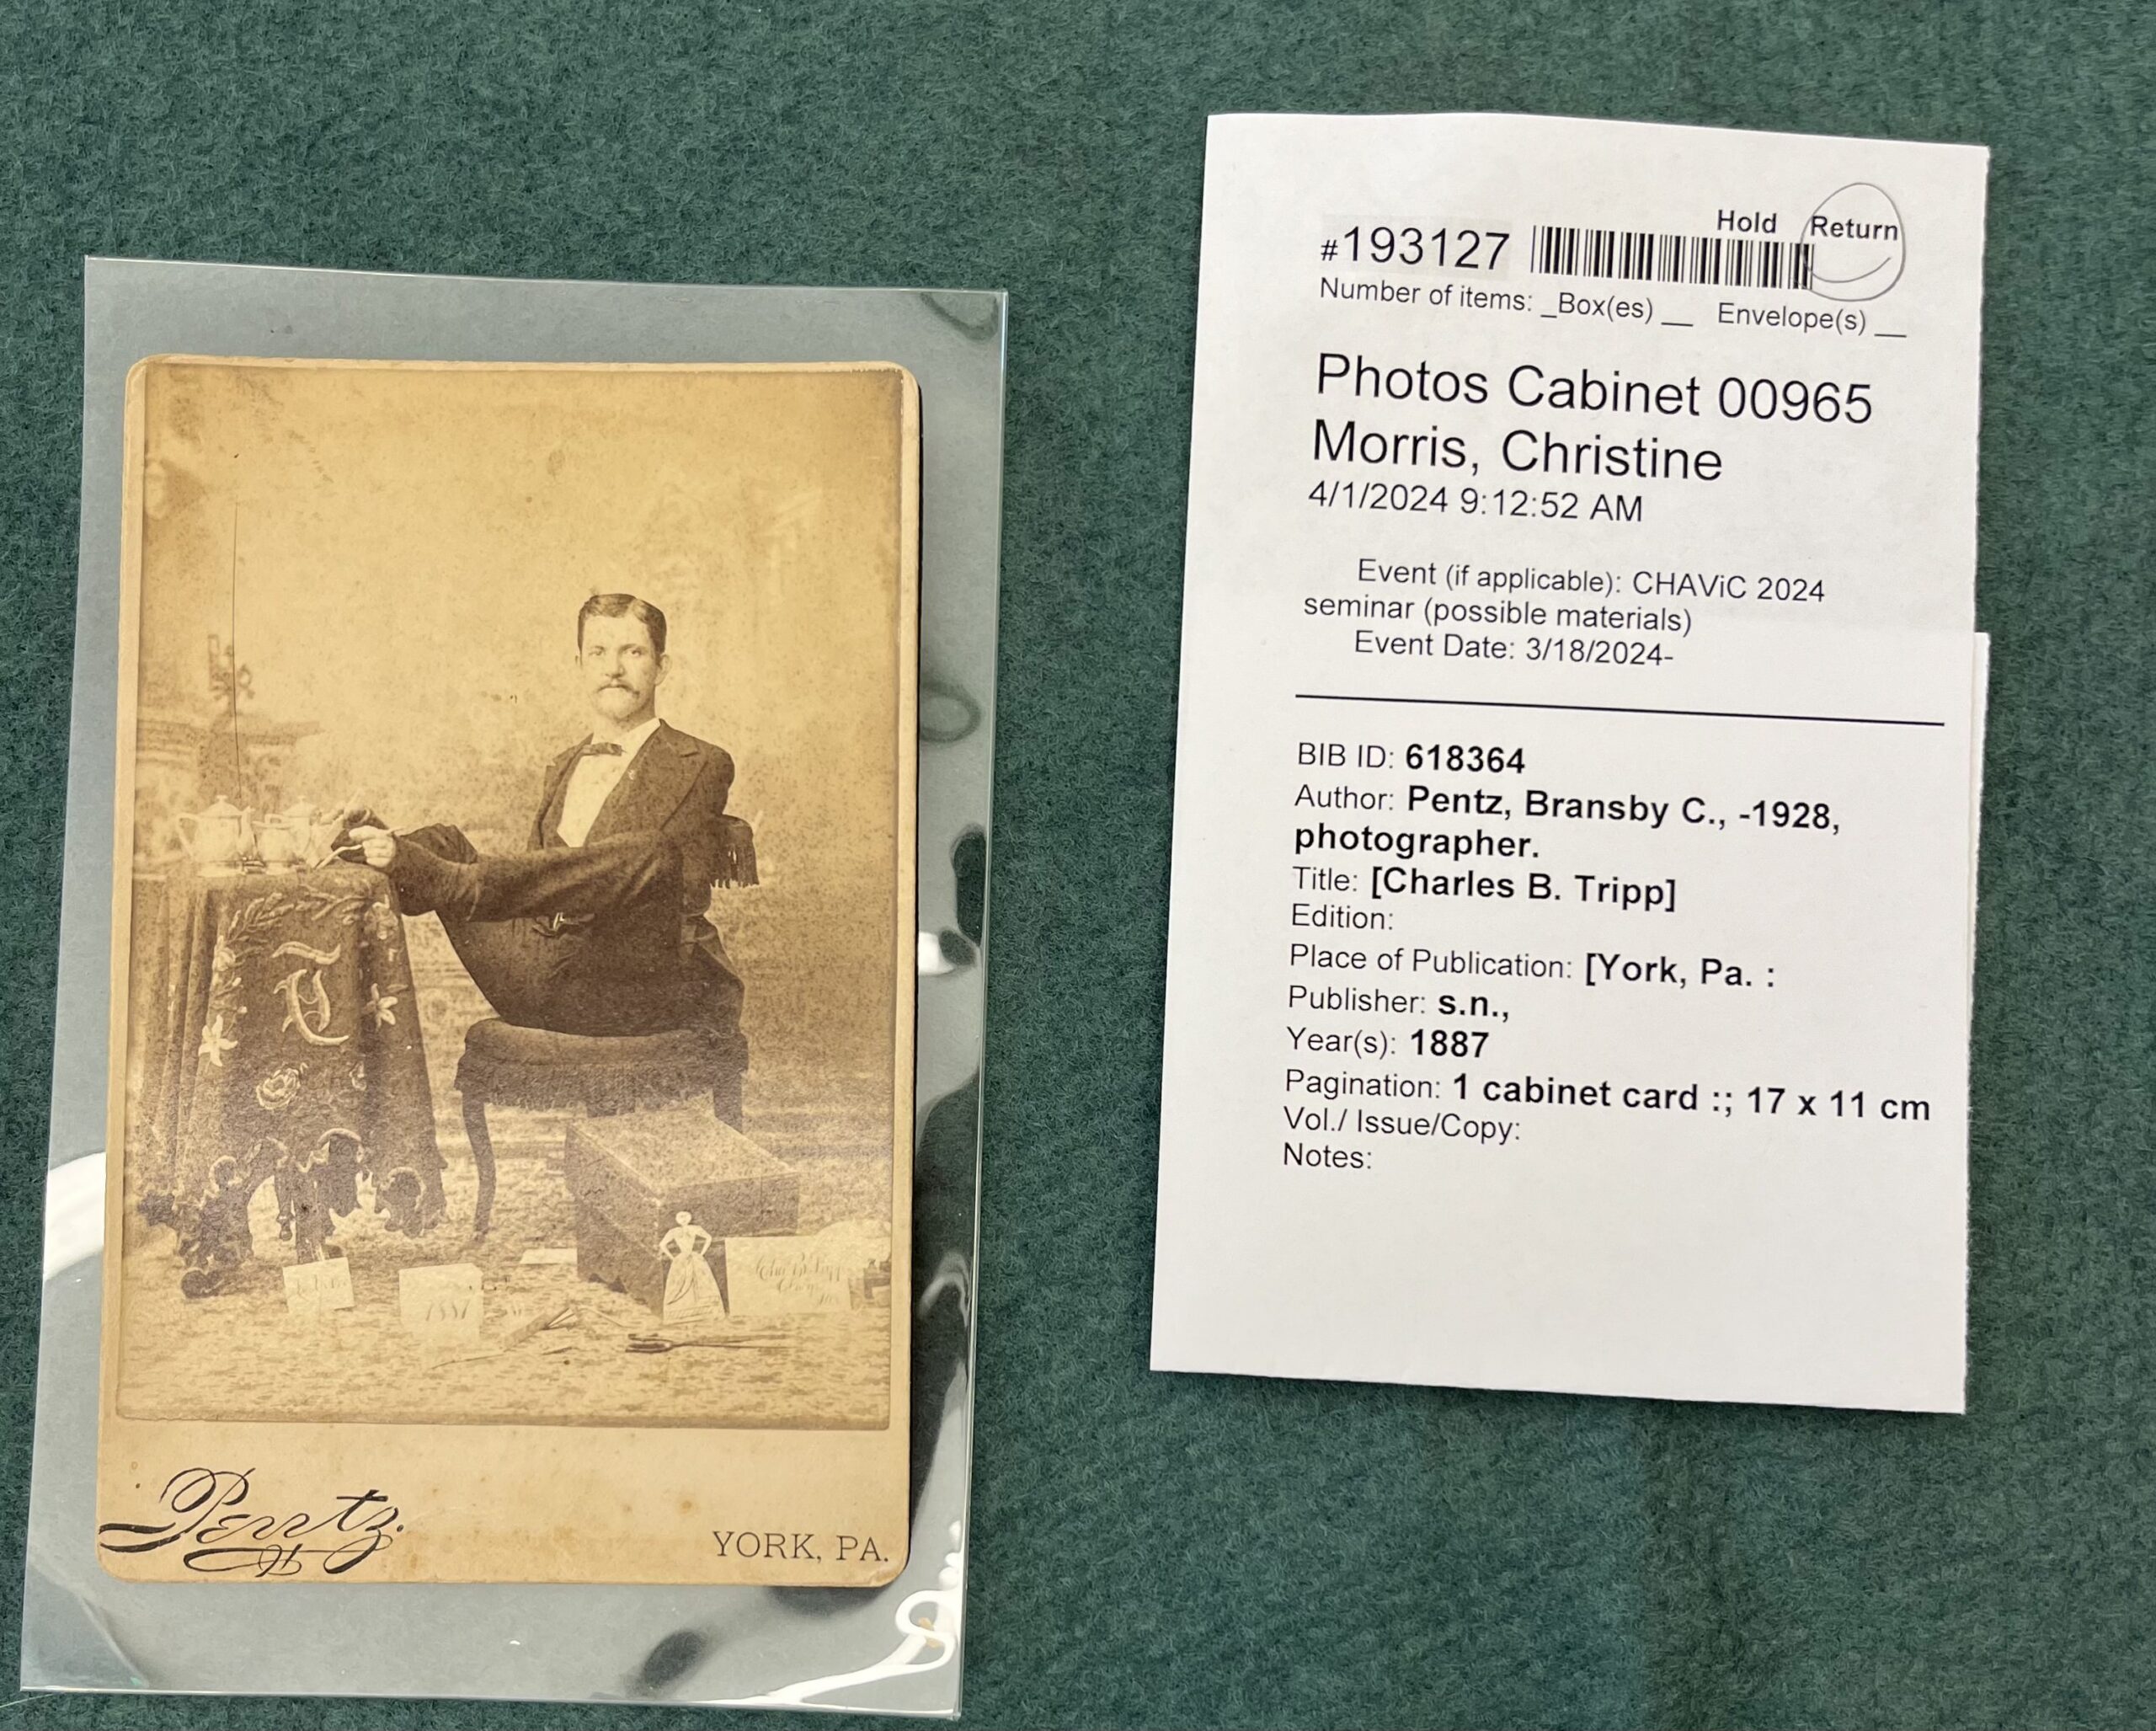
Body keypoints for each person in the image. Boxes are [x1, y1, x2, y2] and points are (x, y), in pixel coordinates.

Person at [345, 593, 755, 1061]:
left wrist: (459, 882)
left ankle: (443, 875)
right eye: (598, 653)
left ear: (661, 667)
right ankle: (355, 849)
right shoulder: (562, 765)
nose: (614, 668)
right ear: (580, 664)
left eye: (633, 652)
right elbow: (535, 885)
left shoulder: (701, 762)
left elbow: (654, 881)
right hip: (540, 970)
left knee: (654, 852)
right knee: (444, 841)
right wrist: (390, 846)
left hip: (634, 988)